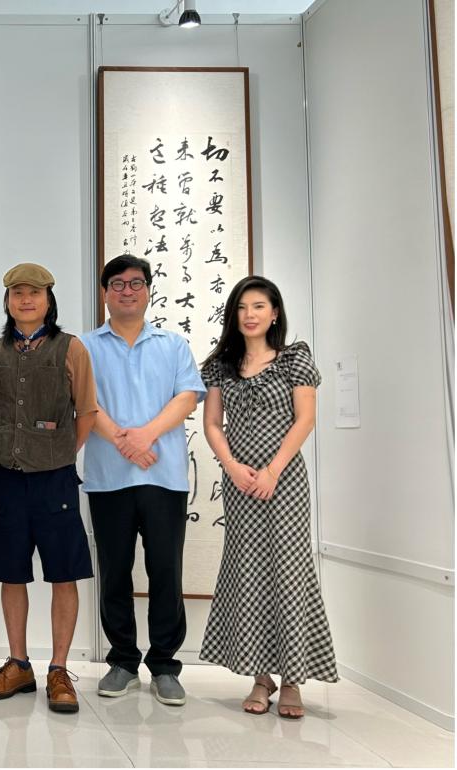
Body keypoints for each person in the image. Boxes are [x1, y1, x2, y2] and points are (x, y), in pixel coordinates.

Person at [199, 275, 336, 719]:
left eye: (259, 306)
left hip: (285, 481)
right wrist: (232, 467)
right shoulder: (221, 365)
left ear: (274, 313)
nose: (250, 315)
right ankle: (261, 677)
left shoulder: (295, 359)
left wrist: (273, 470)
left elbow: (305, 419)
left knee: (289, 572)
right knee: (250, 571)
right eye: (242, 307)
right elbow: (213, 424)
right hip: (241, 484)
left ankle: (292, 680)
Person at [81, 254, 205, 707]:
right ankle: (123, 661)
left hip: (163, 476)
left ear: (148, 290)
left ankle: (166, 665)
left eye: (136, 283)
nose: (127, 291)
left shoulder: (172, 344)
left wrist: (145, 435)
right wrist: (124, 440)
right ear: (105, 292)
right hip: (108, 477)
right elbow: (84, 403)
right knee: (114, 570)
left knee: (166, 570)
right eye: (117, 283)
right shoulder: (85, 347)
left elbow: (187, 397)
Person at [0, 264, 98, 714]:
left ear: (49, 300)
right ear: (7, 301)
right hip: (7, 477)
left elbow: (87, 411)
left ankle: (59, 670)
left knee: (63, 573)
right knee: (12, 572)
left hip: (56, 479)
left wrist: (58, 451)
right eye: (17, 293)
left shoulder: (71, 348)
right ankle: (18, 664)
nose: (26, 300)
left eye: (35, 293)